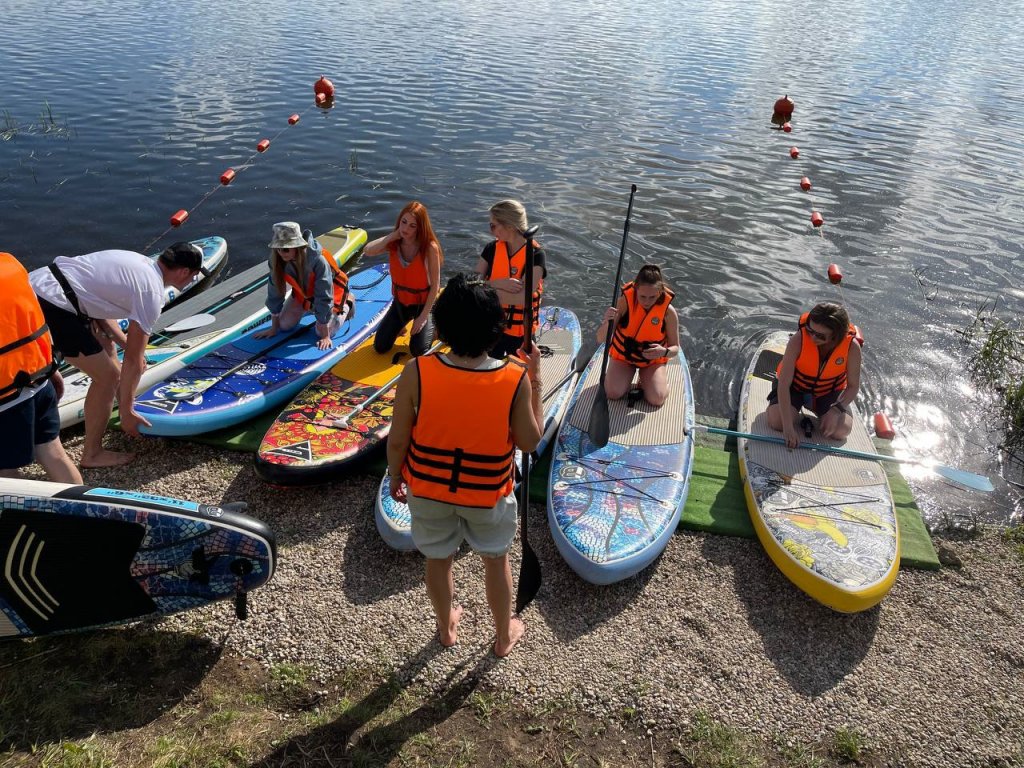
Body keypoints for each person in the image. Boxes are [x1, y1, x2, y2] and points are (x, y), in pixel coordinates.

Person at [387, 273, 544, 658]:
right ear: (496, 329)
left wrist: (395, 477)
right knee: (496, 560)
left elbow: (398, 438)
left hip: (428, 487)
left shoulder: (417, 371)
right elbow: (530, 441)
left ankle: (446, 630)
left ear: (441, 326)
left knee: (437, 560)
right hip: (486, 494)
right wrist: (535, 379)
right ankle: (503, 636)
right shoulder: (514, 377)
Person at [29, 242, 208, 468]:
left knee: (108, 348)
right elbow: (133, 359)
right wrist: (128, 412)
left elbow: (98, 302)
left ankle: (111, 401)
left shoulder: (137, 261)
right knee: (109, 377)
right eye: (193, 275)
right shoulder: (151, 293)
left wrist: (122, 342)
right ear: (184, 272)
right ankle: (92, 453)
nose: (192, 280)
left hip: (36, 284)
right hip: (52, 305)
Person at [0, 252, 82, 484]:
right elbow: (32, 314)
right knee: (54, 455)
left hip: (6, 396)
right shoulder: (10, 263)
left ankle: (12, 519)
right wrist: (51, 368)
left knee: (5, 473)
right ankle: (80, 512)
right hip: (40, 378)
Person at [767, 302, 862, 448]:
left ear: (836, 336)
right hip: (794, 387)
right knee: (777, 422)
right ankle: (792, 411)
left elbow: (853, 386)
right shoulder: (798, 340)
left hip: (828, 391)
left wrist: (837, 409)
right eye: (810, 330)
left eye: (820, 335)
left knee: (841, 431)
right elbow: (784, 384)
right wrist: (787, 427)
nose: (812, 337)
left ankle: (821, 411)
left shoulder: (852, 347)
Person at [254, 222, 353, 351]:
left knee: (320, 331)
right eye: (277, 249)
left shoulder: (318, 261)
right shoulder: (276, 261)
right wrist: (274, 328)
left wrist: (325, 336)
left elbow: (324, 296)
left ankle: (349, 302)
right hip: (304, 296)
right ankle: (309, 310)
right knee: (283, 326)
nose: (281, 253)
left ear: (298, 247)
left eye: (285, 249)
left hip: (333, 296)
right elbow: (274, 292)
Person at [363, 201, 443, 357]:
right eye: (404, 222)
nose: (406, 229)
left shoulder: (429, 248)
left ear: (420, 228)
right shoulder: (394, 242)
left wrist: (422, 318)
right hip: (401, 303)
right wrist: (391, 236)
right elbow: (368, 251)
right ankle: (402, 324)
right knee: (380, 347)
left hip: (423, 304)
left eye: (412, 226)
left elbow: (435, 286)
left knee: (418, 351)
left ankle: (437, 328)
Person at [598, 264, 681, 407]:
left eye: (652, 297)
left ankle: (647, 380)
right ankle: (622, 375)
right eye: (642, 296)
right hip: (624, 357)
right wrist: (607, 321)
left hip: (652, 362)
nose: (647, 302)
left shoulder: (669, 312)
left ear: (660, 292)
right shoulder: (624, 302)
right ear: (635, 289)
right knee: (613, 393)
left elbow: (675, 349)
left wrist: (664, 351)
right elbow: (600, 339)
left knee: (657, 399)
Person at [473, 200, 546, 359]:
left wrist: (484, 291)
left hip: (520, 334)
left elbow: (522, 298)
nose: (491, 231)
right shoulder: (491, 249)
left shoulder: (535, 255)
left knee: (520, 376)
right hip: (491, 327)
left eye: (494, 226)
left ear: (510, 226)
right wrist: (497, 284)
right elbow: (471, 285)